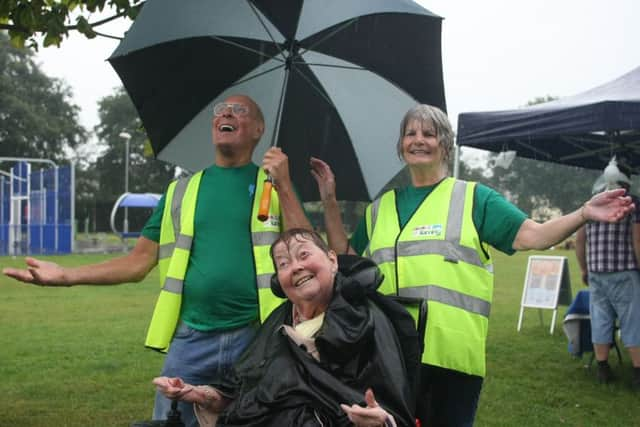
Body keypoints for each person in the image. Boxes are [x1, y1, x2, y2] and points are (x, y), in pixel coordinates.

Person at [309, 104, 635, 427]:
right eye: (410, 133)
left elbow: (533, 236)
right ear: (400, 146)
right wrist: (329, 200)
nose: (418, 139)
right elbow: (347, 255)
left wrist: (583, 214)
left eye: (429, 133)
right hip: (387, 355)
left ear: (446, 145)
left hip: (451, 360)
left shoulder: (475, 199)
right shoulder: (381, 208)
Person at [2, 95, 311, 427]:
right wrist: (67, 275)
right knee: (169, 422)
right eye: (219, 110)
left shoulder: (273, 187)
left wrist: (284, 185)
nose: (225, 113)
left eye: (239, 110)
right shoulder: (181, 191)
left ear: (258, 130)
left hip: (257, 338)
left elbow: (308, 250)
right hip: (191, 339)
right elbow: (137, 263)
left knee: (261, 421)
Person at [153, 228, 418, 427]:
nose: (296, 267)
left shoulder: (367, 320)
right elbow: (241, 392)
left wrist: (379, 420)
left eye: (304, 255)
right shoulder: (278, 323)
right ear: (279, 282)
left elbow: (391, 409)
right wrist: (199, 393)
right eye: (283, 264)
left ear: (333, 260)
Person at [575, 162, 640, 388]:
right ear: (628, 180)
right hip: (624, 272)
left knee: (601, 319)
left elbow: (579, 241)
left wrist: (584, 269)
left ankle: (603, 368)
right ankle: (637, 372)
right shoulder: (632, 203)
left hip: (596, 272)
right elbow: (637, 240)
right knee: (633, 321)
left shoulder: (593, 204)